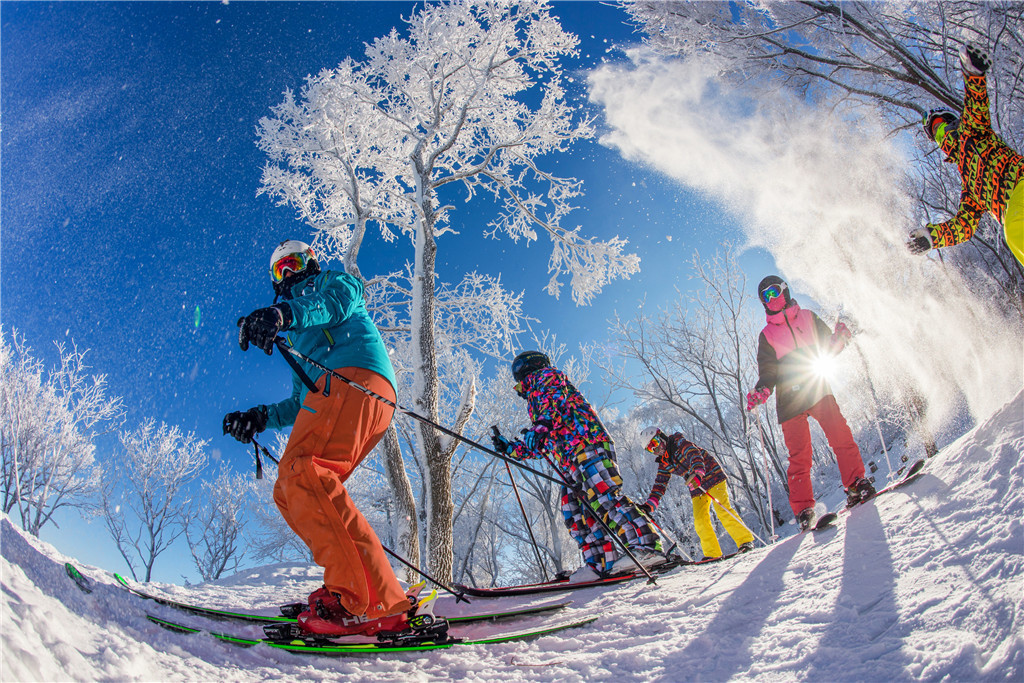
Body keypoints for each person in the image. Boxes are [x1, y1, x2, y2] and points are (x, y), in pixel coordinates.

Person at [223, 239, 431, 638]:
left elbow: (329, 305)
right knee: (293, 488)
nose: (290, 274)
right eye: (281, 270)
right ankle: (374, 595)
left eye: (295, 263)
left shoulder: (333, 284)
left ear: (312, 262)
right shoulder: (302, 335)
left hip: (354, 378)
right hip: (343, 391)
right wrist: (258, 417)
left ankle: (359, 602)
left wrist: (282, 314)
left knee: (303, 471)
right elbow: (302, 400)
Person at [491, 351, 663, 581]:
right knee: (576, 514)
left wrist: (541, 424)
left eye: (518, 368)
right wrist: (512, 449)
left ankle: (646, 546)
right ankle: (600, 563)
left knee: (604, 498)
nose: (516, 376)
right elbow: (544, 442)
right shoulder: (535, 402)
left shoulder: (546, 377)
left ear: (529, 365)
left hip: (588, 443)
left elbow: (553, 402)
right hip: (568, 459)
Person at [745, 276, 876, 531]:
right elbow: (768, 371)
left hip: (817, 386)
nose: (771, 300)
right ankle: (804, 510)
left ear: (785, 290)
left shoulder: (808, 317)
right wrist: (761, 390)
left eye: (773, 292)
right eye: (765, 298)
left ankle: (856, 483)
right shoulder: (767, 334)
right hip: (789, 399)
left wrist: (840, 338)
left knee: (840, 435)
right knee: (800, 456)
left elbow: (828, 348)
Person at [907, 43, 1023, 266]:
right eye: (936, 134)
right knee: (1015, 229)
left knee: (1015, 228)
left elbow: (976, 106)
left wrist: (973, 73)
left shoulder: (972, 133)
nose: (942, 138)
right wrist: (931, 238)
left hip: (1020, 184)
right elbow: (964, 226)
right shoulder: (970, 187)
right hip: (1014, 207)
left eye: (940, 128)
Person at [638, 427, 754, 560]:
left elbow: (694, 454)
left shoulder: (678, 442)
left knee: (721, 509)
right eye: (651, 449)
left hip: (712, 475)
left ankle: (745, 540)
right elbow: (660, 484)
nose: (656, 450)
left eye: (655, 444)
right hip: (696, 486)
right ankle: (713, 553)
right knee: (700, 520)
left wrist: (698, 473)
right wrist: (649, 506)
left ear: (662, 437)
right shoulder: (664, 462)